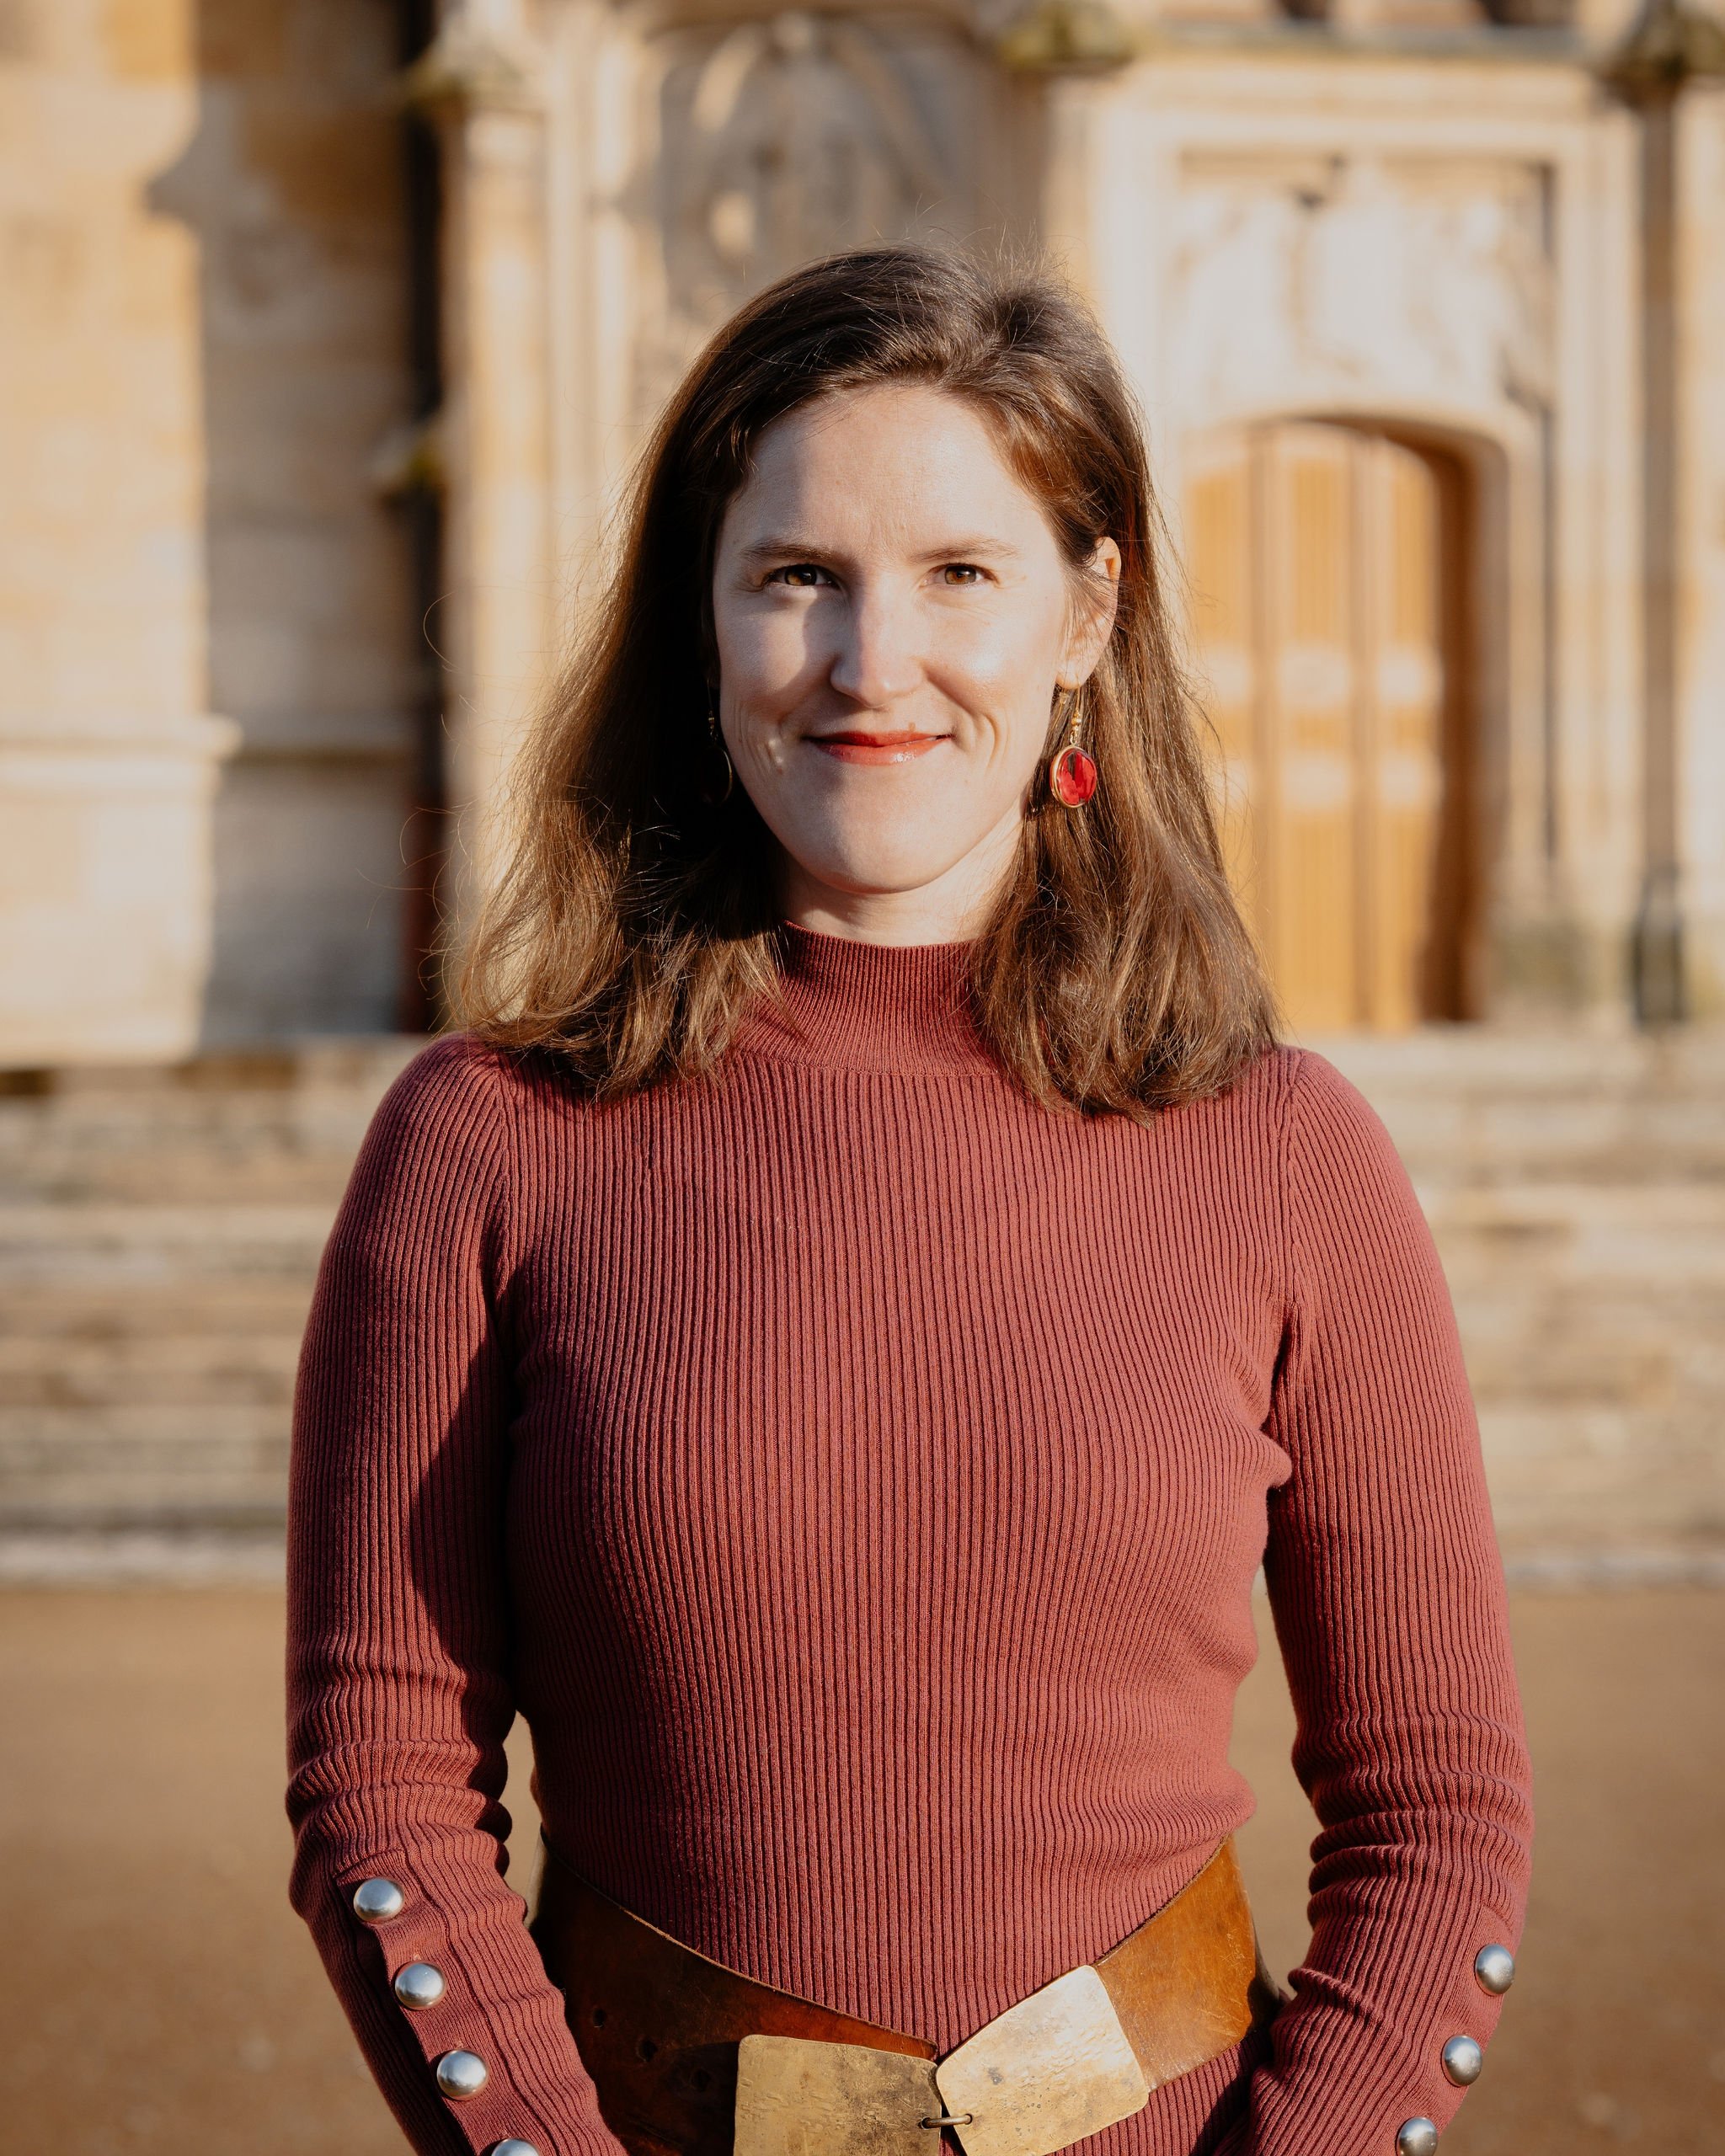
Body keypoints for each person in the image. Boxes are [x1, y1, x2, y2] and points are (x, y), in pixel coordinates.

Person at [286, 246, 1533, 2156]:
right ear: (702, 622)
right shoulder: (487, 1142)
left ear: (1084, 611)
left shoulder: (1287, 1153)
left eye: (961, 572)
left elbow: (1438, 1812)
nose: (875, 664)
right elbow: (385, 1790)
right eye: (798, 576)